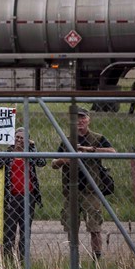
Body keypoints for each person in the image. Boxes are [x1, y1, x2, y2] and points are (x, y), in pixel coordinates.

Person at [51, 107, 116, 260]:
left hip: (91, 190)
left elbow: (113, 152)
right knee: (71, 228)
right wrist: (63, 160)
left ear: (88, 119)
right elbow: (54, 163)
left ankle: (96, 259)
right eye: (76, 118)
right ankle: (75, 258)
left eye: (82, 117)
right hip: (71, 190)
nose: (79, 121)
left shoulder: (97, 138)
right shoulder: (66, 139)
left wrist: (89, 149)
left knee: (95, 227)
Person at [0, 128, 46, 260]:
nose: (19, 140)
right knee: (9, 230)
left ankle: (22, 259)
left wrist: (33, 146)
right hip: (11, 198)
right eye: (17, 137)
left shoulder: (30, 154)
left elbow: (41, 162)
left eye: (22, 138)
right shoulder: (9, 153)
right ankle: (8, 259)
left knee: (25, 231)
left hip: (28, 198)